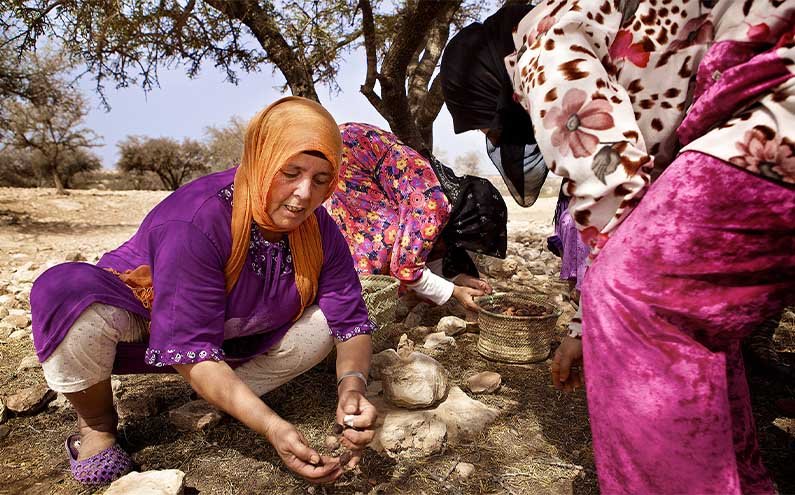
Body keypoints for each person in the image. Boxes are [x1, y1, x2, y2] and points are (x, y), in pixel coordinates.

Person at [441, 2, 795, 494]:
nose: (496, 133)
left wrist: (595, 322)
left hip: (773, 114)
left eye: (487, 123)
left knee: (634, 295)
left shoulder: (542, 40)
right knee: (688, 311)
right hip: (768, 112)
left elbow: (609, 178)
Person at [30, 97, 378, 487]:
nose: (303, 194)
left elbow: (351, 322)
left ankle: (224, 394)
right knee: (69, 299)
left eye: (319, 180)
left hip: (235, 333)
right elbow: (189, 342)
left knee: (323, 327)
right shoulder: (198, 219)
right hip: (149, 319)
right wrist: (272, 428)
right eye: (291, 172)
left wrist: (354, 388)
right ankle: (97, 424)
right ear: (262, 160)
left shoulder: (318, 227)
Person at [325, 122, 508, 312]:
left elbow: (423, 251)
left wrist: (460, 279)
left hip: (350, 143)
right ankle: (344, 311)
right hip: (352, 155)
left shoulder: (443, 192)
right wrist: (455, 291)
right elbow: (406, 269)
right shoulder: (434, 206)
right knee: (378, 249)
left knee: (394, 244)